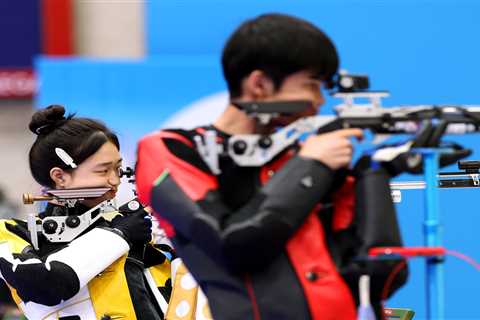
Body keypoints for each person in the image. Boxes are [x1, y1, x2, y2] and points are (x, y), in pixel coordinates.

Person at [136, 13, 409, 320]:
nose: (319, 101)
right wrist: (310, 165)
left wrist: (374, 175)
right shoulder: (172, 149)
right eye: (311, 85)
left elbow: (385, 275)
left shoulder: (303, 160)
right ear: (259, 84)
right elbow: (233, 247)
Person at [0, 105, 175, 320]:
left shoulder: (135, 223)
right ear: (60, 177)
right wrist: (119, 235)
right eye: (103, 170)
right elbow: (44, 283)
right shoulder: (11, 233)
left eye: (118, 169)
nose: (115, 180)